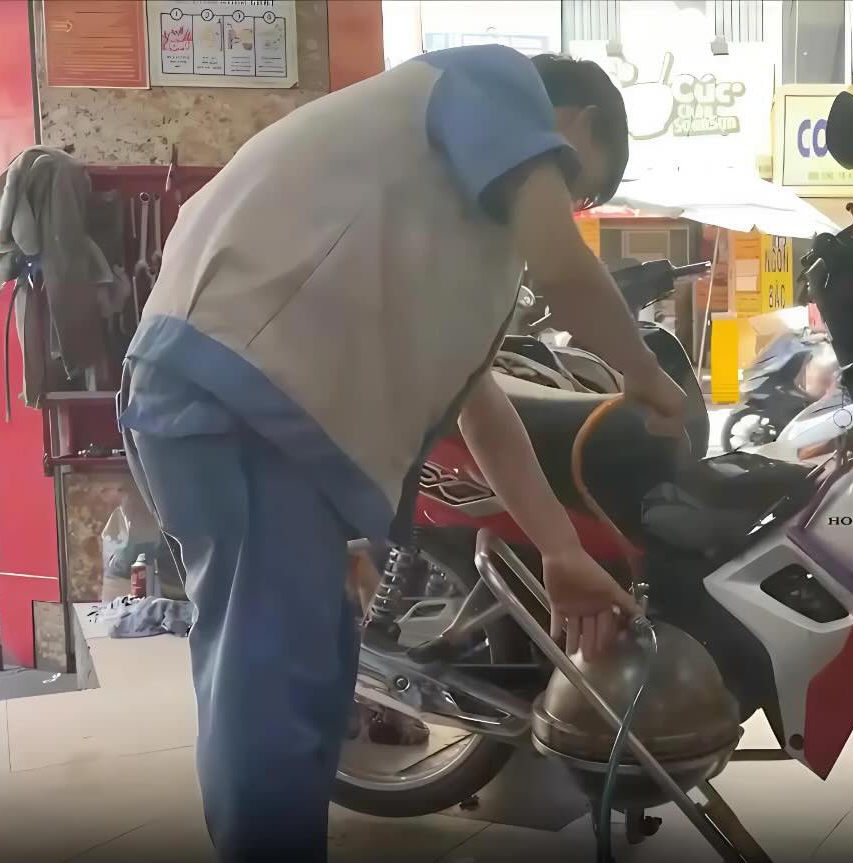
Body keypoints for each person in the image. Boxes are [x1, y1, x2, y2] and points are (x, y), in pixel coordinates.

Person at [119, 46, 685, 862]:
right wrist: (647, 380)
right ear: (578, 124)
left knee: (311, 677)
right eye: (584, 185)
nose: (572, 204)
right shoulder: (494, 80)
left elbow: (483, 411)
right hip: (235, 396)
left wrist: (560, 550)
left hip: (257, 413)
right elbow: (568, 268)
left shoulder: (453, 224)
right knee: (273, 688)